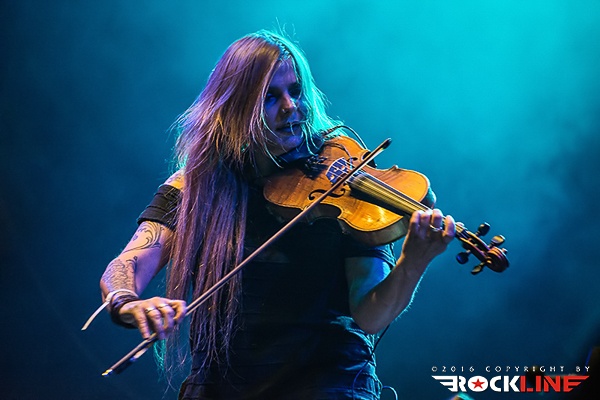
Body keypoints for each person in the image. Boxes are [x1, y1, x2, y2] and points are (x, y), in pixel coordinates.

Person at [99, 29, 456, 399]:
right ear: (234, 109)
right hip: (220, 389)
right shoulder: (198, 186)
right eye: (270, 97)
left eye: (296, 91)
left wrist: (413, 262)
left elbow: (370, 314)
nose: (290, 106)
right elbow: (128, 263)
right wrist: (127, 302)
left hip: (326, 386)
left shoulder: (345, 182)